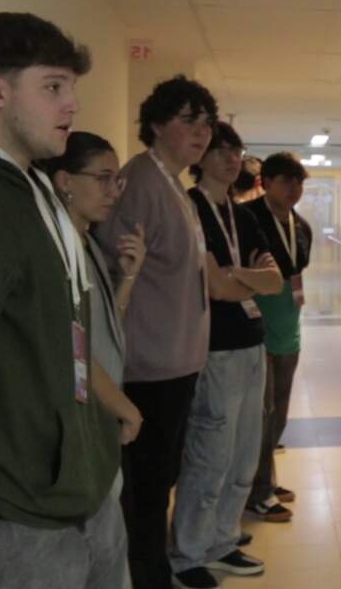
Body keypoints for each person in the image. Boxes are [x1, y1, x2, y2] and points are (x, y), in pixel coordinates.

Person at [0, 12, 123, 587]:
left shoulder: (33, 186)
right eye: (53, 87)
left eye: (72, 89)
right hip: (16, 521)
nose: (72, 106)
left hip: (79, 491)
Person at [93, 74, 218, 589]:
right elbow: (115, 268)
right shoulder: (140, 181)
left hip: (178, 358)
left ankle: (154, 569)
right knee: (145, 487)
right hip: (148, 366)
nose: (202, 132)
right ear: (156, 125)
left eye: (206, 122)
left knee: (160, 479)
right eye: (189, 121)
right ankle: (147, 578)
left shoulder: (175, 185)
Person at [170, 122, 283, 589]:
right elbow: (213, 287)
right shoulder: (189, 208)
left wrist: (235, 276)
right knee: (209, 454)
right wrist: (242, 278)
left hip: (252, 343)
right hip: (213, 350)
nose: (231, 157)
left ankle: (222, 540)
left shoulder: (243, 215)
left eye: (236, 149)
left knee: (242, 456)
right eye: (220, 149)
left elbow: (272, 282)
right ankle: (187, 554)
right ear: (200, 156)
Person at [44, 131, 152, 589]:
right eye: (104, 179)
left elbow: (104, 330)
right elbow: (68, 347)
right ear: (65, 180)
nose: (114, 191)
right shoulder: (52, 249)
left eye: (118, 181)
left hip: (100, 414)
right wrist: (122, 405)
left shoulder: (86, 242)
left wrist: (127, 279)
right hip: (81, 420)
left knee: (111, 547)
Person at [248, 152, 313, 523]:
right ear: (265, 182)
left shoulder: (301, 225)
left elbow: (296, 272)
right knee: (263, 410)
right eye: (286, 181)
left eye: (298, 182)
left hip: (288, 323)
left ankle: (265, 478)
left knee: (280, 410)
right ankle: (257, 491)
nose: (294, 189)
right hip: (256, 325)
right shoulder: (248, 219)